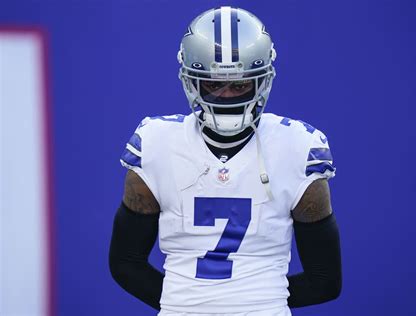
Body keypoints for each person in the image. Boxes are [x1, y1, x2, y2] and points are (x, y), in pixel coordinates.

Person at [109, 6, 342, 316]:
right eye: (214, 84)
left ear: (262, 80)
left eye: (241, 84)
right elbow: (125, 261)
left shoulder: (297, 147)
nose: (228, 95)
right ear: (191, 79)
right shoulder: (156, 143)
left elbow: (326, 279)